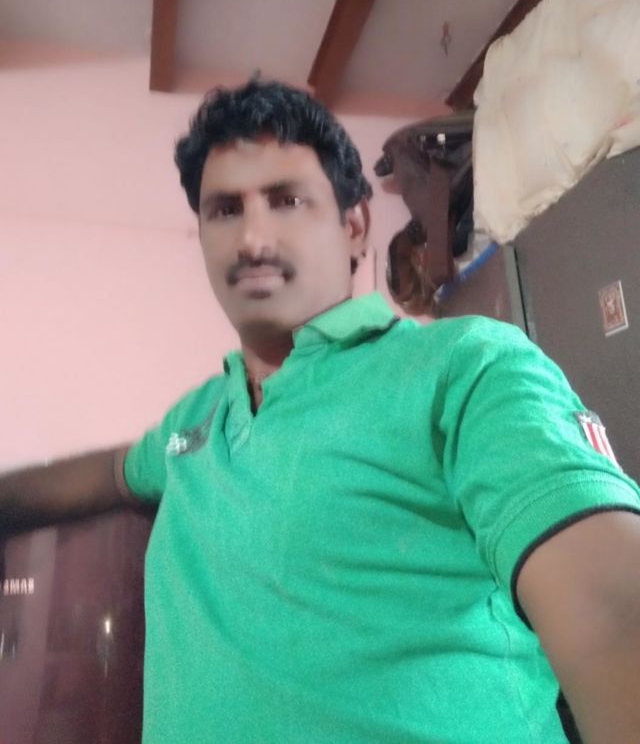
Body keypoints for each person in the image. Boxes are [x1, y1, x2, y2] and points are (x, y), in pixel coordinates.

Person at [2, 79, 640, 743]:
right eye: (224, 210)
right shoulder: (193, 421)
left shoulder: (465, 369)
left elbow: (613, 609)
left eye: (286, 200)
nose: (252, 238)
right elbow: (105, 474)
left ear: (354, 226)